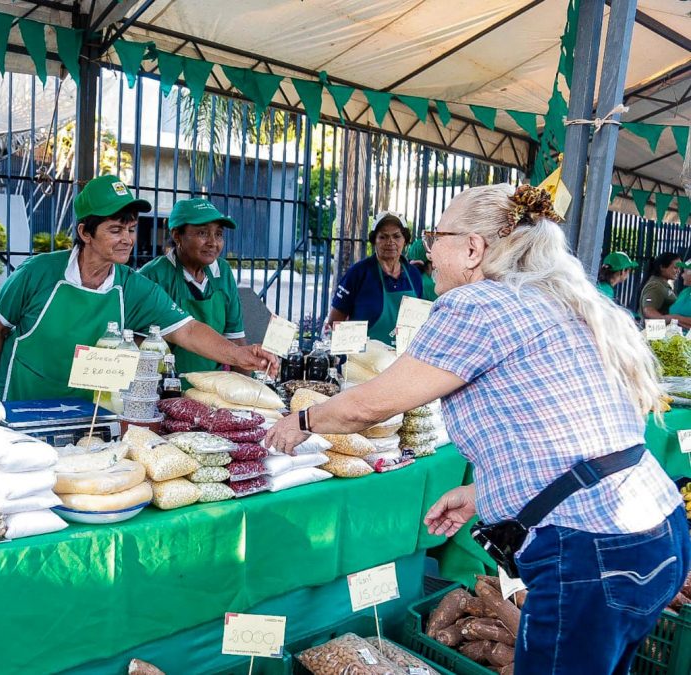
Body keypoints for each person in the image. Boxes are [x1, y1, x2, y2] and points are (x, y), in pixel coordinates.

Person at [266, 184, 689, 674]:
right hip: (657, 531)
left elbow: (370, 407)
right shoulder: (557, 297)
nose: (428, 249)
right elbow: (563, 429)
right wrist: (482, 491)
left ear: (473, 248)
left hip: (589, 552)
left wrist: (301, 420)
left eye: (436, 235)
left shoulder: (478, 304)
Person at [0, 175, 277, 401]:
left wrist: (241, 356)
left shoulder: (131, 287)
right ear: (85, 232)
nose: (127, 240)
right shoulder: (38, 272)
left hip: (85, 413)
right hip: (16, 406)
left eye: (131, 230)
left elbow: (187, 330)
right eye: (115, 230)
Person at [139, 198, 246, 373]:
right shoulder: (153, 276)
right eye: (202, 233)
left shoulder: (223, 272)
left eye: (218, 234)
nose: (213, 242)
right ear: (176, 235)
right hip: (166, 389)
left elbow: (235, 338)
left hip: (213, 388)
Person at [326, 211, 424, 346]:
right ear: (374, 241)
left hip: (400, 360)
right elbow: (334, 322)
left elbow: (418, 322)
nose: (390, 242)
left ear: (405, 241)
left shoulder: (413, 275)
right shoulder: (358, 273)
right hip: (362, 361)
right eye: (383, 237)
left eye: (397, 236)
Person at [639, 252, 680, 321]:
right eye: (675, 268)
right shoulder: (655, 286)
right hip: (655, 330)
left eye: (679, 268)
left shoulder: (662, 285)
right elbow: (648, 311)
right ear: (662, 267)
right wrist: (670, 321)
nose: (678, 271)